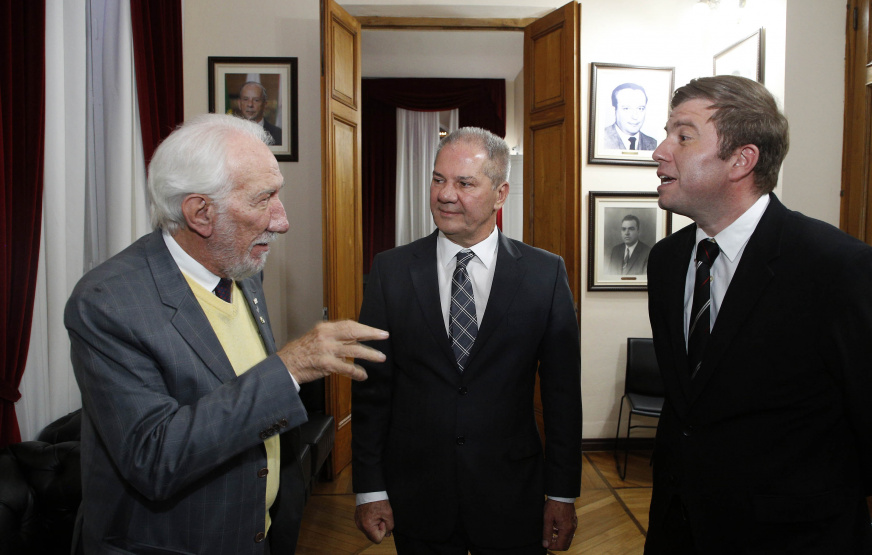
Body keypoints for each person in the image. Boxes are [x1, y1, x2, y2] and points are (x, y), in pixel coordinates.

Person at [65, 114, 388, 555]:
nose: (282, 220)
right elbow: (154, 457)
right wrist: (288, 368)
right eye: (263, 199)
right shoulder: (107, 303)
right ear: (200, 212)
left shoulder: (241, 268)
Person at [644, 75, 872, 554]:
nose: (660, 151)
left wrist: (807, 492)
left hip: (795, 536)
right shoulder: (666, 261)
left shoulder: (837, 267)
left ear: (741, 160)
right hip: (679, 528)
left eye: (683, 136)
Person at [351, 127, 582, 553]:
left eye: (464, 183)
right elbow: (372, 392)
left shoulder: (544, 274)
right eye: (438, 179)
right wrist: (369, 488)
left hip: (512, 494)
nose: (445, 195)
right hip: (418, 494)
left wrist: (563, 494)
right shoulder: (391, 271)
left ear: (500, 193)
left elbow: (562, 395)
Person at [603, 83, 657, 151]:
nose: (635, 116)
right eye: (626, 108)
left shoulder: (654, 144)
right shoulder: (600, 139)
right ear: (614, 110)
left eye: (640, 108)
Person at [236, 81, 283, 145]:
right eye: (245, 99)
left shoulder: (279, 135)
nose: (250, 104)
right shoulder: (229, 133)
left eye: (256, 100)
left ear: (265, 105)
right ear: (239, 104)